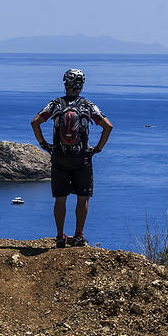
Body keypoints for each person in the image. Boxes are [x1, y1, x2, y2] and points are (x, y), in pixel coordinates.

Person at [31, 69, 113, 247]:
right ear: (81, 85)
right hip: (82, 158)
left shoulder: (55, 104)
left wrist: (44, 145)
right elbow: (108, 126)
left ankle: (60, 237)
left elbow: (35, 121)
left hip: (59, 157)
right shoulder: (88, 105)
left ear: (65, 84)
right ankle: (78, 236)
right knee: (83, 198)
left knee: (60, 199)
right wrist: (97, 149)